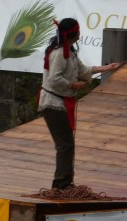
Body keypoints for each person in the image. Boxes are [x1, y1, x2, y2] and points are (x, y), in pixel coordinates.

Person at [38, 18, 121, 190]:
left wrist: (106, 68)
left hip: (61, 101)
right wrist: (73, 85)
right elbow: (54, 79)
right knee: (65, 144)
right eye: (78, 31)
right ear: (73, 34)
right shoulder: (59, 53)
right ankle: (61, 184)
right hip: (53, 103)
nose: (80, 33)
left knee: (67, 144)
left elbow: (83, 70)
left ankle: (65, 182)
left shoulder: (70, 52)